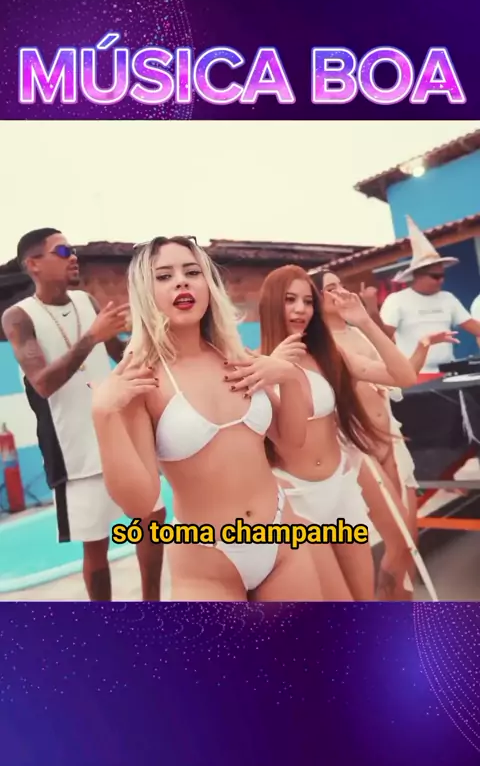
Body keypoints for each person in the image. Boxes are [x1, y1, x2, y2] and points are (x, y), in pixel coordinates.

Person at [90, 236, 324, 602]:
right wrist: (103, 415)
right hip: (207, 560)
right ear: (145, 293)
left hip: (282, 539)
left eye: (192, 272)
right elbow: (140, 504)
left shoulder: (237, 357)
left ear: (208, 285)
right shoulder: (142, 379)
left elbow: (291, 442)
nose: (181, 282)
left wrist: (290, 377)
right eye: (164, 276)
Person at [1, 228, 166, 602]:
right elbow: (43, 383)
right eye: (62, 251)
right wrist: (92, 336)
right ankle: (103, 621)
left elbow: (119, 353)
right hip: (74, 450)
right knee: (96, 547)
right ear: (34, 264)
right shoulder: (19, 317)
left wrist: (148, 335)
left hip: (120, 436)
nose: (73, 256)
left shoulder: (87, 301)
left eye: (72, 249)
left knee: (152, 521)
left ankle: (152, 608)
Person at [258, 264, 417, 602]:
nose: (301, 309)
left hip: (341, 487)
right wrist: (277, 368)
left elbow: (403, 376)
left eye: (307, 301)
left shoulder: (329, 355)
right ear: (271, 303)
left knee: (363, 598)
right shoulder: (257, 364)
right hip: (295, 497)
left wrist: (364, 321)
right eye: (289, 300)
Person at [319, 269, 447, 601]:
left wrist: (421, 346)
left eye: (341, 285)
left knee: (410, 541)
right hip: (359, 447)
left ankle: (400, 615)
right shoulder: (320, 346)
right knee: (397, 540)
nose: (340, 292)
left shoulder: (359, 335)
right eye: (330, 288)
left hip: (390, 438)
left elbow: (401, 374)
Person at [373, 217, 480, 381]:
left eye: (443, 276)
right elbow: (383, 338)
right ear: (417, 275)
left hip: (448, 373)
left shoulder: (448, 298)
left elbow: (475, 328)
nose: (441, 280)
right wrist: (371, 310)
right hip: (415, 374)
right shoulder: (397, 300)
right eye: (435, 276)